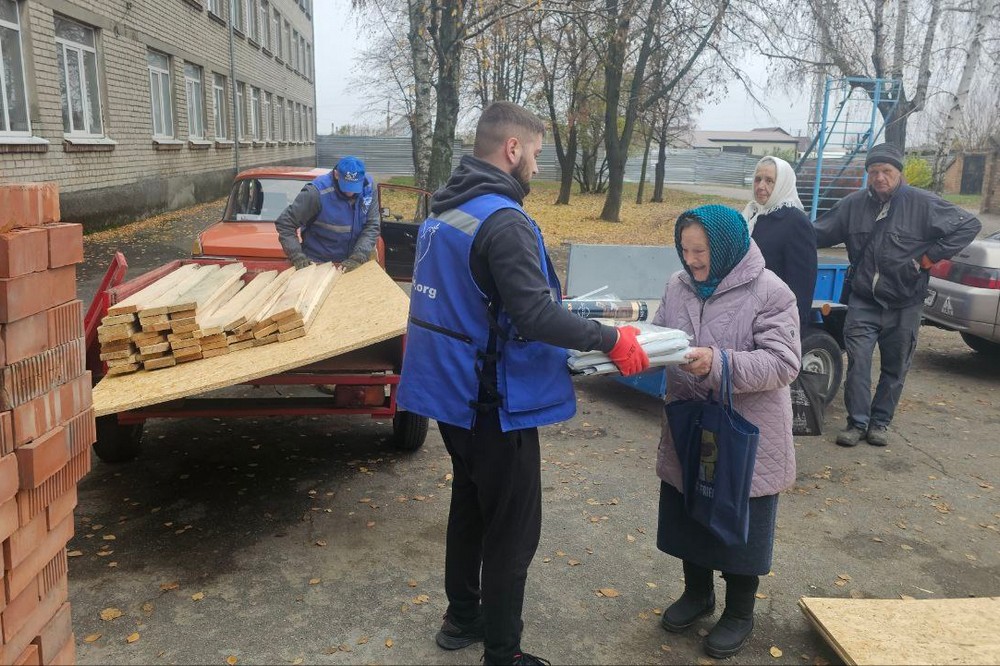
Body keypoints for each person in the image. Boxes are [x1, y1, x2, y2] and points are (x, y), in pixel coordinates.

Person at [396, 101, 649, 666]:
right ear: (512, 149)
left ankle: (462, 618)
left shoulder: (445, 210)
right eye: (535, 153)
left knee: (470, 505)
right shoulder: (503, 221)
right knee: (512, 530)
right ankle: (503, 654)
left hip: (450, 392)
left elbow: (475, 300)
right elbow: (535, 317)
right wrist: (611, 339)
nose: (537, 165)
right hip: (493, 399)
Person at [651, 204, 800, 660]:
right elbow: (660, 332)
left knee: (739, 523)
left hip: (743, 433)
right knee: (687, 511)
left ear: (728, 247)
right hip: (689, 422)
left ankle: (738, 610)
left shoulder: (771, 291)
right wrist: (640, 346)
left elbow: (784, 363)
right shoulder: (678, 286)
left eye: (700, 251)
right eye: (684, 249)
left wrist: (720, 362)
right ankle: (697, 594)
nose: (691, 260)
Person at [814, 143, 981, 447]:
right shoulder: (853, 205)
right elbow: (817, 232)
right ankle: (857, 423)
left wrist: (930, 257)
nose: (880, 177)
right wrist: (783, 225)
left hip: (905, 301)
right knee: (859, 363)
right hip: (863, 299)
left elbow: (969, 224)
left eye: (886, 171)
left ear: (899, 173)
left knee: (895, 366)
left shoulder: (923, 203)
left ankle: (880, 423)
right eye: (874, 171)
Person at [742, 156, 817, 330]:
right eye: (758, 179)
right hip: (746, 314)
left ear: (783, 183)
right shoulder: (751, 215)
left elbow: (802, 286)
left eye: (769, 181)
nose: (761, 186)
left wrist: (791, 329)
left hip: (773, 320)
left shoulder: (795, 222)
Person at [275, 155, 379, 271]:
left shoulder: (368, 187)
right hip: (318, 263)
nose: (350, 193)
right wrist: (297, 256)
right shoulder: (316, 193)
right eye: (346, 186)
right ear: (336, 174)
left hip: (353, 263)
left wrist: (359, 256)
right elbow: (285, 223)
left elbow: (372, 225)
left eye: (354, 187)